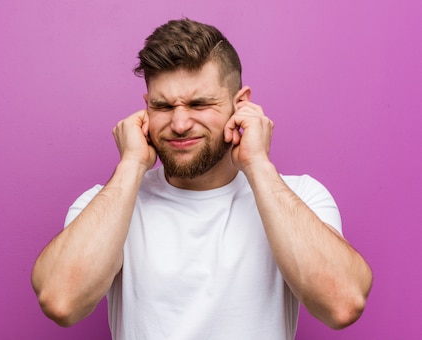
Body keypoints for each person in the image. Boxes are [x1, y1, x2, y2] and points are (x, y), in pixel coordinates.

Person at [31, 18, 373, 339]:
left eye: (199, 103)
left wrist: (257, 164)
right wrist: (131, 164)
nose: (179, 124)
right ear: (145, 108)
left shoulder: (301, 196)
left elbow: (342, 304)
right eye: (163, 106)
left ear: (240, 105)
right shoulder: (109, 202)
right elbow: (62, 302)